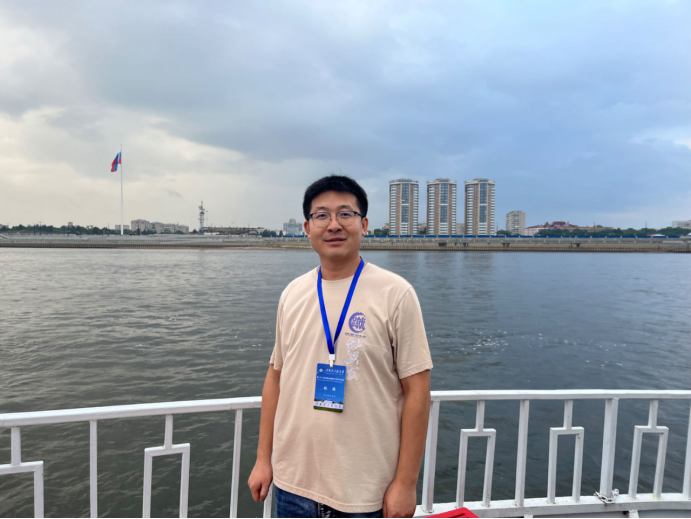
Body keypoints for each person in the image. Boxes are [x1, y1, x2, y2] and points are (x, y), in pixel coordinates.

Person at [248, 175, 432, 518]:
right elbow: (275, 377)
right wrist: (263, 459)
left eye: (345, 214)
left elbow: (418, 390)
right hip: (292, 486)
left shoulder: (396, 294)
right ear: (307, 228)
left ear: (364, 224)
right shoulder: (292, 294)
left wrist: (405, 483)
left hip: (365, 492)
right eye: (322, 215)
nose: (334, 225)